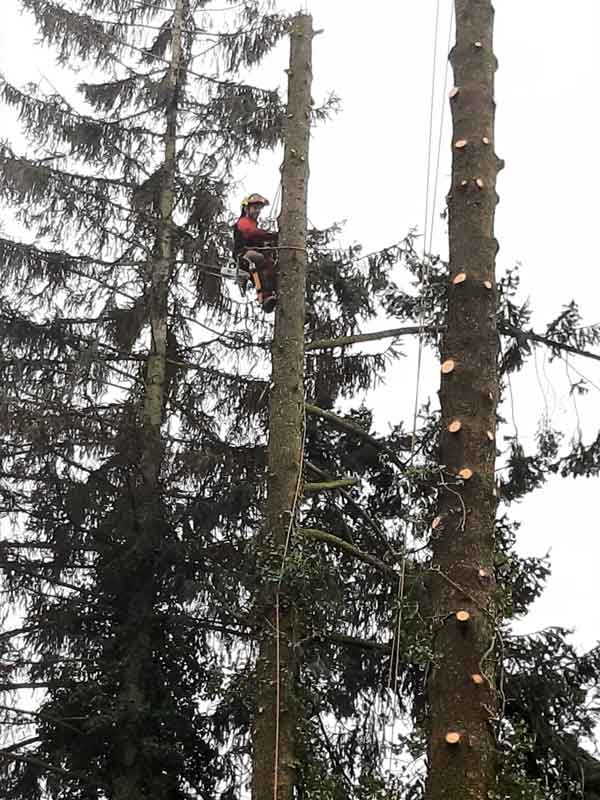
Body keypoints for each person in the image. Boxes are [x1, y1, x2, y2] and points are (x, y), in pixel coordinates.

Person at [233, 193, 278, 313]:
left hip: (253, 256)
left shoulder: (253, 224)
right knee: (259, 258)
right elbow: (251, 233)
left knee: (270, 264)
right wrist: (271, 236)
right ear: (246, 209)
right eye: (255, 208)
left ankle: (270, 294)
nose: (257, 211)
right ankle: (264, 296)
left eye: (259, 209)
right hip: (243, 255)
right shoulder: (243, 221)